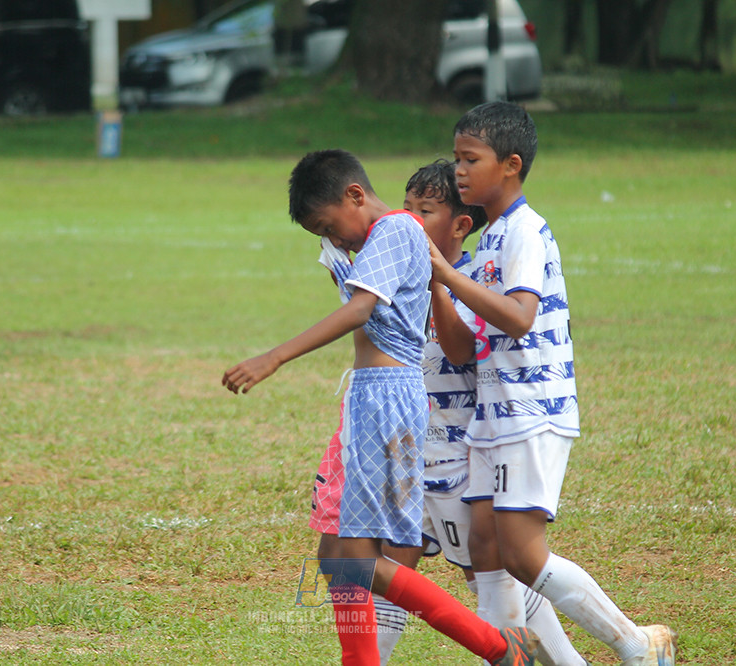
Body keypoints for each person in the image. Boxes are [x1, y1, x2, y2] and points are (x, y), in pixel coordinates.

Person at [222, 149, 539, 666]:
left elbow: (360, 310)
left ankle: (500, 647)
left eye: (331, 227)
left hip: (387, 402)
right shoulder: (376, 239)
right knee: (334, 556)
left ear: (355, 195)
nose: (335, 238)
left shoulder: (394, 229)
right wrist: (339, 255)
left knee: (360, 560)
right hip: (367, 399)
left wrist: (274, 357)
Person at [428, 101, 678, 666]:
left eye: (471, 159)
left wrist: (445, 274)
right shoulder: (490, 240)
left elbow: (519, 317)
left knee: (522, 555)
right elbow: (463, 349)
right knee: (487, 551)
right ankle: (516, 660)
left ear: (511, 164)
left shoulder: (524, 230)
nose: (459, 170)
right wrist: (438, 283)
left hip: (531, 408)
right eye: (457, 158)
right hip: (492, 414)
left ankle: (637, 645)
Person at [372, 159, 587, 666]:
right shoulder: (403, 280)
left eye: (425, 211)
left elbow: (461, 350)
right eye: (406, 208)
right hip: (412, 453)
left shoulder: (473, 281)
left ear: (460, 225)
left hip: (459, 459)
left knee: (494, 579)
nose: (410, 220)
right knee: (390, 568)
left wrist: (437, 285)